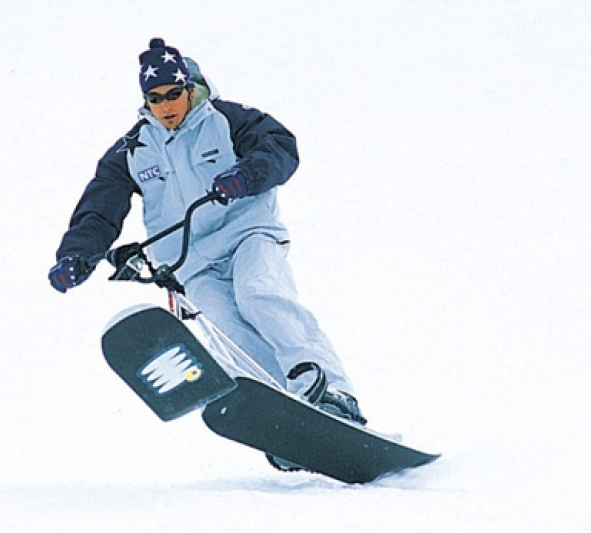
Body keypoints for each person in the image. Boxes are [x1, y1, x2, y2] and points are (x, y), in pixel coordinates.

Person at [49, 38, 365, 428]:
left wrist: (245, 176)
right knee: (227, 329)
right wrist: (76, 255)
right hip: (190, 261)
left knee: (258, 293)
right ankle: (286, 411)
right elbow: (100, 208)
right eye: (155, 98)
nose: (166, 106)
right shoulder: (133, 149)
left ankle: (332, 391)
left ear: (189, 88)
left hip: (247, 234)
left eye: (173, 94)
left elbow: (280, 148)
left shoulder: (228, 119)